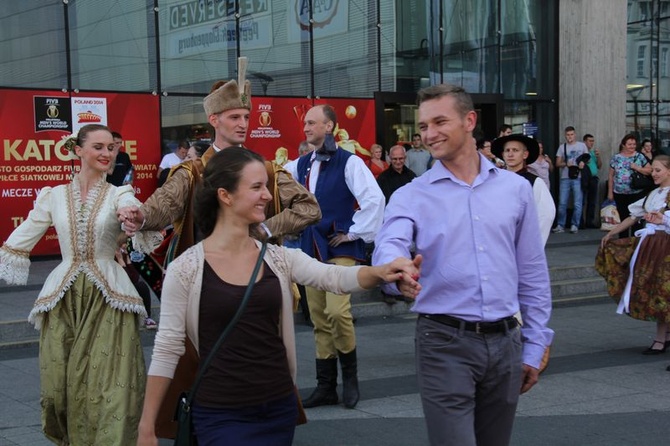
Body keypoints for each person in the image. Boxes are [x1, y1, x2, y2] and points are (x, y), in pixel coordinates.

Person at [136, 147, 421, 446]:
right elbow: (167, 349)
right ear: (225, 195)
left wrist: (383, 271)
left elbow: (334, 277)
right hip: (220, 412)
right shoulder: (186, 268)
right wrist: (147, 425)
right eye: (256, 187)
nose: (268, 196)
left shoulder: (277, 258)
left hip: (277, 407)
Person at [372, 84, 553, 446]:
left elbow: (532, 271)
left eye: (440, 121)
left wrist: (535, 343)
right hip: (443, 342)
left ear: (470, 120)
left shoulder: (515, 190)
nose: (429, 134)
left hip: (506, 342)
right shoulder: (411, 194)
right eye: (423, 126)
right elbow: (389, 244)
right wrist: (396, 270)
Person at [0, 124, 161, 445]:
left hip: (110, 298)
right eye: (98, 147)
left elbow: (133, 212)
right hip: (65, 297)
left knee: (111, 385)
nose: (106, 154)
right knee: (60, 387)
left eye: (111, 148)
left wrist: (133, 217)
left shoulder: (120, 193)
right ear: (78, 150)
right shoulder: (53, 196)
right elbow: (23, 236)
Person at [284, 104, 385, 410]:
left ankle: (350, 380)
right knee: (317, 316)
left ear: (329, 126)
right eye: (305, 123)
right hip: (311, 247)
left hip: (338, 245)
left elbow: (374, 198)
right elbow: (270, 181)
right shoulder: (298, 165)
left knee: (337, 311)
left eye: (312, 123)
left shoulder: (349, 162)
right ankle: (326, 386)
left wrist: (354, 232)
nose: (306, 127)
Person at [597, 155, 670, 355]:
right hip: (653, 246)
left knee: (665, 291)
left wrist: (663, 219)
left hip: (666, 246)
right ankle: (661, 337)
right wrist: (612, 232)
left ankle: (661, 339)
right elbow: (633, 216)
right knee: (658, 292)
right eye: (653, 170)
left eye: (658, 170)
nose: (653, 174)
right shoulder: (654, 194)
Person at [492, 134, 555, 245]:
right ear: (503, 154)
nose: (510, 154)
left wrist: (532, 245)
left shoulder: (535, 183)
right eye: (507, 150)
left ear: (525, 154)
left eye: (515, 150)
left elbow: (546, 215)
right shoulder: (494, 181)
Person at [607, 134, 652, 237]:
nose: (632, 146)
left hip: (636, 193)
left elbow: (650, 170)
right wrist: (610, 192)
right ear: (623, 145)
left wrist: (638, 168)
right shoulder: (616, 158)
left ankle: (635, 241)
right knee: (623, 218)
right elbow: (610, 176)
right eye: (629, 144)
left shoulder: (639, 156)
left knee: (636, 218)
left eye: (634, 144)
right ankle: (623, 241)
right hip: (619, 193)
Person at [553, 126, 589, 234]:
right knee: (562, 203)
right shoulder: (562, 147)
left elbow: (587, 159)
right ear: (565, 135)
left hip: (578, 176)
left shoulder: (582, 146)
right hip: (565, 177)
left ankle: (575, 224)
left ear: (575, 135)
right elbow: (557, 163)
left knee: (578, 203)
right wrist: (565, 164)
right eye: (568, 135)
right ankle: (560, 225)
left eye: (572, 134)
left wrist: (583, 163)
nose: (570, 137)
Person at [582, 134, 602, 228]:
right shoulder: (582, 152)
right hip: (585, 178)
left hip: (594, 178)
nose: (591, 143)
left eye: (593, 141)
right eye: (590, 141)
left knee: (592, 201)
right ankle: (581, 222)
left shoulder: (593, 152)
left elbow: (599, 166)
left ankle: (590, 222)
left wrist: (598, 157)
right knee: (582, 200)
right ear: (585, 141)